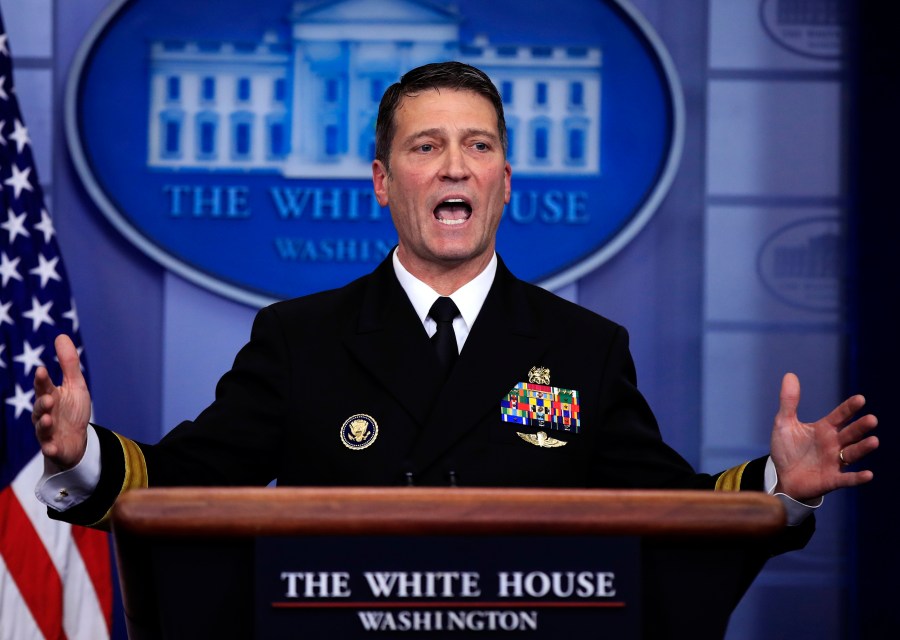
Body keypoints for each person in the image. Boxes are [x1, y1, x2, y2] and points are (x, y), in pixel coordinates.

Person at [33, 62, 877, 542]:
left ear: (505, 183)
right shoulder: (299, 339)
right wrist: (80, 453)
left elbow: (661, 510)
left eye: (478, 146)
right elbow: (187, 484)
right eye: (425, 146)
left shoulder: (585, 347)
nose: (454, 166)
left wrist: (780, 486)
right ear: (380, 181)